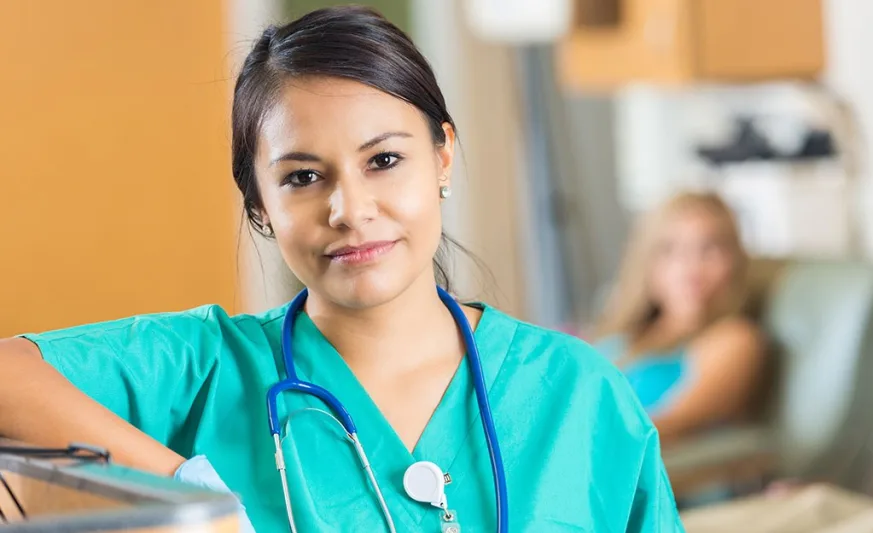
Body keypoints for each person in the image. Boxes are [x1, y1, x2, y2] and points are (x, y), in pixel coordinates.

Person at [0, 7, 683, 532]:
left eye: (384, 160)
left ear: (443, 155)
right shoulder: (205, 368)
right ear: (261, 205)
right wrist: (190, 493)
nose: (350, 210)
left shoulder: (578, 392)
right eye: (302, 176)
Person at [591, 192, 766, 443]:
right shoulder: (622, 336)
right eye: (670, 250)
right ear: (647, 263)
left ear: (734, 262)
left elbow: (664, 427)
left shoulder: (733, 340)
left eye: (709, 248)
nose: (690, 266)